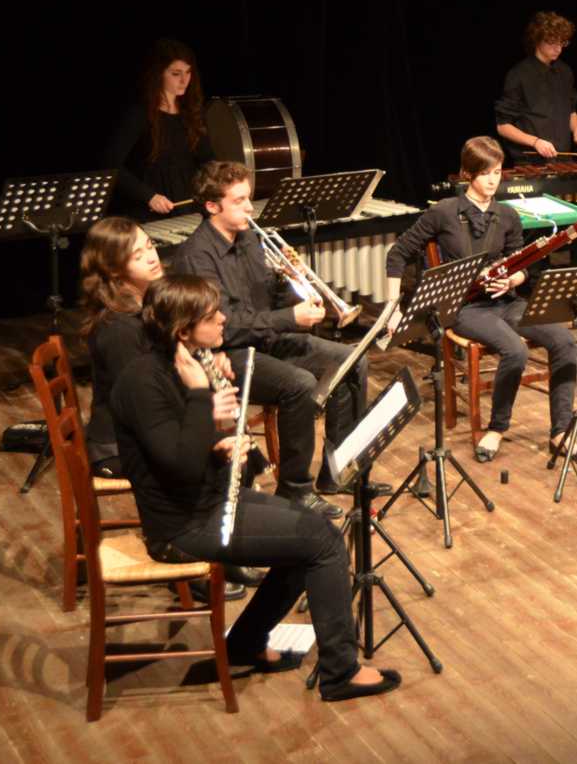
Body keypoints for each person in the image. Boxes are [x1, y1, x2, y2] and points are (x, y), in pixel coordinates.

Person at [111, 275, 399, 701]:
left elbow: (191, 445)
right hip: (183, 525)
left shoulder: (188, 362)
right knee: (322, 543)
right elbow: (178, 467)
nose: (223, 319)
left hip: (208, 501)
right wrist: (202, 399)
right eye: (211, 316)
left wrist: (221, 439)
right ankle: (341, 673)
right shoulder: (143, 382)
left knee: (313, 534)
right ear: (183, 331)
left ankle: (244, 643)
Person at [175, 160, 365, 519]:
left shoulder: (249, 239)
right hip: (225, 354)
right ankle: (295, 491)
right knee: (299, 384)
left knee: (351, 361)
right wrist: (289, 318)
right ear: (212, 206)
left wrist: (292, 283)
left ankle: (338, 470)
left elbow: (273, 301)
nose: (250, 207)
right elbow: (226, 327)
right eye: (239, 200)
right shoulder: (197, 257)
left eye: (249, 198)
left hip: (267, 339)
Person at [384, 136, 577, 462]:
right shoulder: (444, 212)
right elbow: (397, 253)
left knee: (565, 341)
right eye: (485, 173)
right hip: (466, 308)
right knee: (515, 350)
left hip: (507, 302)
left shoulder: (507, 215)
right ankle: (497, 428)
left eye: (497, 172)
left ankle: (560, 431)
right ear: (468, 173)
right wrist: (393, 309)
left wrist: (514, 278)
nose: (492, 180)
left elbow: (522, 265)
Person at [78, 218, 164, 479]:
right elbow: (139, 402)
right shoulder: (119, 330)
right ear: (114, 270)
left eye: (150, 245)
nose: (152, 257)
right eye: (138, 255)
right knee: (218, 458)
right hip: (117, 449)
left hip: (145, 433)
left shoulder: (147, 304)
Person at [102, 38, 214, 222]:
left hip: (187, 208)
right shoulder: (139, 114)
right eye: (176, 73)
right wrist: (148, 196)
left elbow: (207, 159)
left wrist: (225, 179)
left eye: (188, 72)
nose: (184, 80)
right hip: (148, 211)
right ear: (158, 74)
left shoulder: (192, 113)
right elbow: (110, 164)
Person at [494, 11, 577, 164]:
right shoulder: (518, 75)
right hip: (532, 163)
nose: (558, 49)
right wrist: (536, 142)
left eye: (562, 42)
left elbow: (571, 111)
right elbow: (503, 126)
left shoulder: (565, 71)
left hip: (564, 161)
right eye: (553, 42)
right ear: (537, 40)